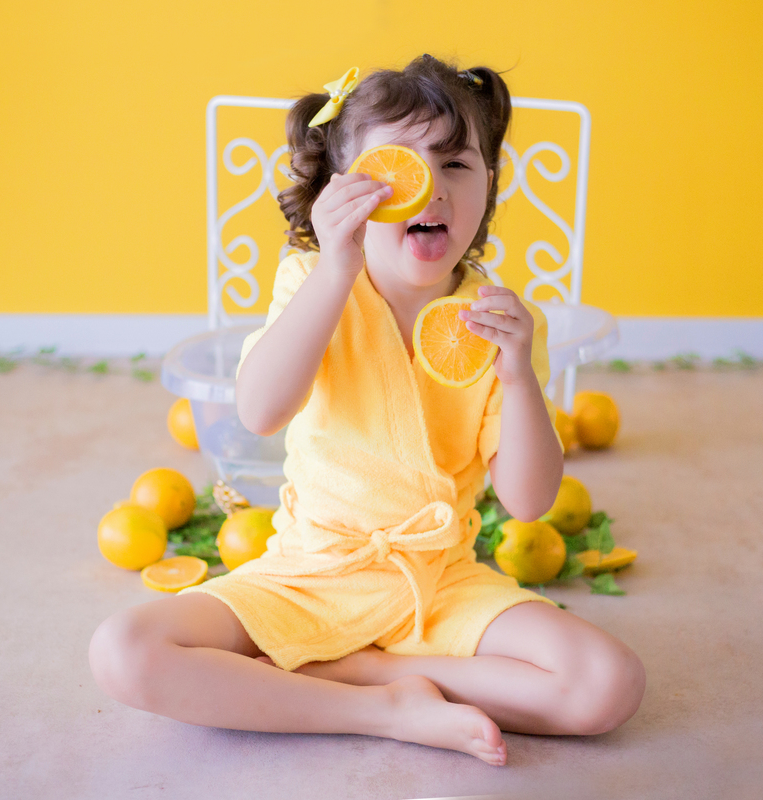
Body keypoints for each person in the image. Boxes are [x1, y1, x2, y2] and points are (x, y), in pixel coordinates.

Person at [89, 54, 645, 766]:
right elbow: (259, 411)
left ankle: (361, 669)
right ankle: (381, 706)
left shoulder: (502, 323)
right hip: (311, 572)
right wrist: (334, 269)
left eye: (456, 164)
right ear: (342, 191)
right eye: (398, 169)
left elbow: (529, 502)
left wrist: (518, 378)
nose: (431, 189)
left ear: (489, 185)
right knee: (123, 651)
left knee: (609, 684)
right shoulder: (312, 280)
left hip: (437, 584)